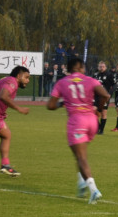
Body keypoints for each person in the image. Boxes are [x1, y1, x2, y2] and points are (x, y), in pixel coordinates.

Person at [46, 57, 109, 204]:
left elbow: (50, 105)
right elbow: (105, 95)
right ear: (81, 68)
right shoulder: (91, 80)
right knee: (81, 155)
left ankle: (93, 190)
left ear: (68, 69)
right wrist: (99, 108)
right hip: (92, 121)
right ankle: (81, 183)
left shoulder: (62, 83)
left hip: (77, 121)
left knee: (81, 158)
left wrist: (62, 103)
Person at [93, 61, 117, 134]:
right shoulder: (95, 75)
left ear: (105, 67)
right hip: (96, 96)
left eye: (103, 66)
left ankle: (101, 130)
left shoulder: (109, 75)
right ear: (98, 67)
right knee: (93, 113)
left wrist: (109, 94)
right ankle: (98, 127)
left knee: (103, 113)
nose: (102, 68)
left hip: (104, 97)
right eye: (100, 66)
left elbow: (115, 85)